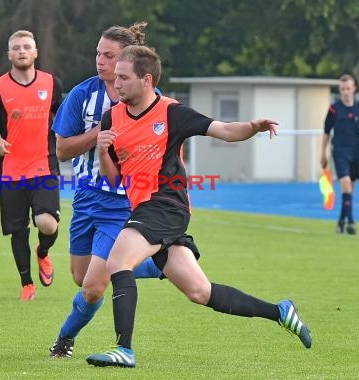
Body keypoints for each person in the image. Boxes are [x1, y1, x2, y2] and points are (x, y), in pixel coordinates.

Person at [85, 45, 312, 368]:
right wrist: (102, 151)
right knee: (200, 292)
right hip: (143, 208)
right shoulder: (112, 117)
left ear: (146, 80)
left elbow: (223, 130)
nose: (116, 83)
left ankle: (124, 348)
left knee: (118, 260)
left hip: (166, 204)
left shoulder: (172, 113)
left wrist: (252, 126)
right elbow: (113, 178)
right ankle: (280, 311)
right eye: (115, 77)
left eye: (123, 77)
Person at [49, 22, 163, 358]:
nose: (100, 61)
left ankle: (64, 340)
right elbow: (62, 150)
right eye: (98, 53)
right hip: (85, 198)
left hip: (122, 203)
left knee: (95, 285)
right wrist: (98, 132)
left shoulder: (146, 100)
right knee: (80, 277)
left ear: (126, 60)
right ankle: (155, 264)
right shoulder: (83, 95)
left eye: (109, 55)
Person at [0, 30, 63, 301]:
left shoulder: (52, 84)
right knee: (18, 230)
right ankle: (27, 283)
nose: (22, 51)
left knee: (47, 223)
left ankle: (43, 251)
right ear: (9, 55)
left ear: (35, 52)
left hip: (44, 164)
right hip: (12, 167)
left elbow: (62, 117)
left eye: (27, 46)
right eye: (16, 48)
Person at [320, 74, 359, 235]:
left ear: (354, 89)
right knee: (345, 183)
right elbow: (326, 132)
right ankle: (351, 222)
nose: (346, 92)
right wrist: (323, 153)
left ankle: (341, 221)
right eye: (342, 89)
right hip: (340, 151)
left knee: (350, 189)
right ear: (339, 90)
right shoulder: (334, 109)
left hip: (356, 151)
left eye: (348, 88)